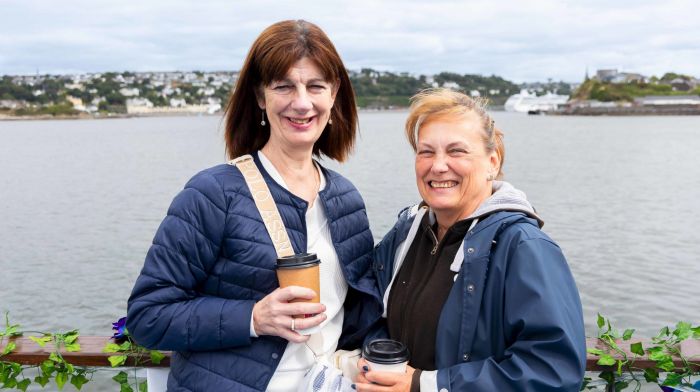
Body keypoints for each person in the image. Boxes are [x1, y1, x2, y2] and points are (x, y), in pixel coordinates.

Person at [126, 20, 381, 392]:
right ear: (261, 97)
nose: (302, 102)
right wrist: (253, 318)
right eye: (284, 86)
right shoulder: (213, 193)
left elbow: (359, 320)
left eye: (315, 86)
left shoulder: (347, 200)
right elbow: (147, 317)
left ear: (334, 94)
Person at [354, 88, 586, 391]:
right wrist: (375, 362)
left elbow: (554, 370)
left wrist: (425, 385)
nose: (438, 166)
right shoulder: (404, 235)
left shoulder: (522, 246)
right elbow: (375, 314)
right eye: (426, 151)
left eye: (456, 151)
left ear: (492, 161)